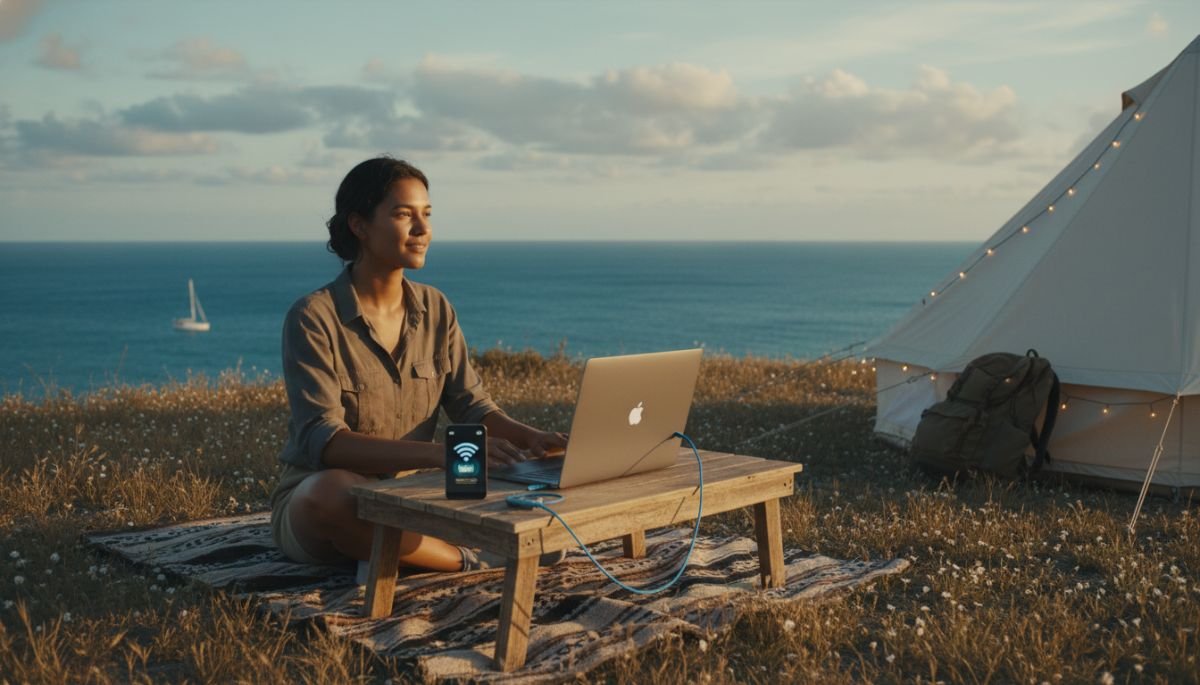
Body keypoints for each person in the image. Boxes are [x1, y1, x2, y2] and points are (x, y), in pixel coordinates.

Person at [270, 156, 567, 572]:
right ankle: (469, 560)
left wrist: (531, 437)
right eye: (403, 215)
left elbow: (472, 406)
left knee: (537, 474)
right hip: (322, 502)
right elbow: (326, 443)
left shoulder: (436, 308)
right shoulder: (313, 317)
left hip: (419, 497)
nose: (422, 229)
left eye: (426, 215)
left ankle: (402, 555)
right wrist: (439, 453)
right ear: (359, 225)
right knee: (331, 493)